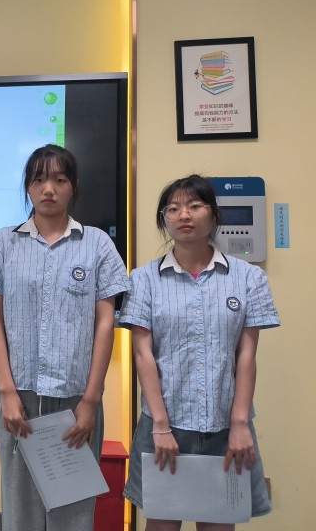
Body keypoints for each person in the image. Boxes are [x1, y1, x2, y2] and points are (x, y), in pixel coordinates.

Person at [0, 144, 129, 531]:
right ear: (27, 187)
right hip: (19, 396)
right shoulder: (4, 242)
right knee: (20, 509)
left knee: (73, 509)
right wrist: (7, 392)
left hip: (76, 398)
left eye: (59, 179)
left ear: (73, 186)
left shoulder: (97, 244)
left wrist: (91, 400)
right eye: (38, 179)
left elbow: (105, 323)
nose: (48, 189)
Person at [120, 174, 279, 531]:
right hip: (164, 427)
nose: (183, 215)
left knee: (218, 524)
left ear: (214, 214)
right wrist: (160, 426)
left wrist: (240, 425)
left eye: (194, 205)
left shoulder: (248, 278)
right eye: (172, 209)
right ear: (164, 219)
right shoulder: (144, 279)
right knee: (162, 524)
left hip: (226, 428)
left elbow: (246, 356)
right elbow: (143, 355)